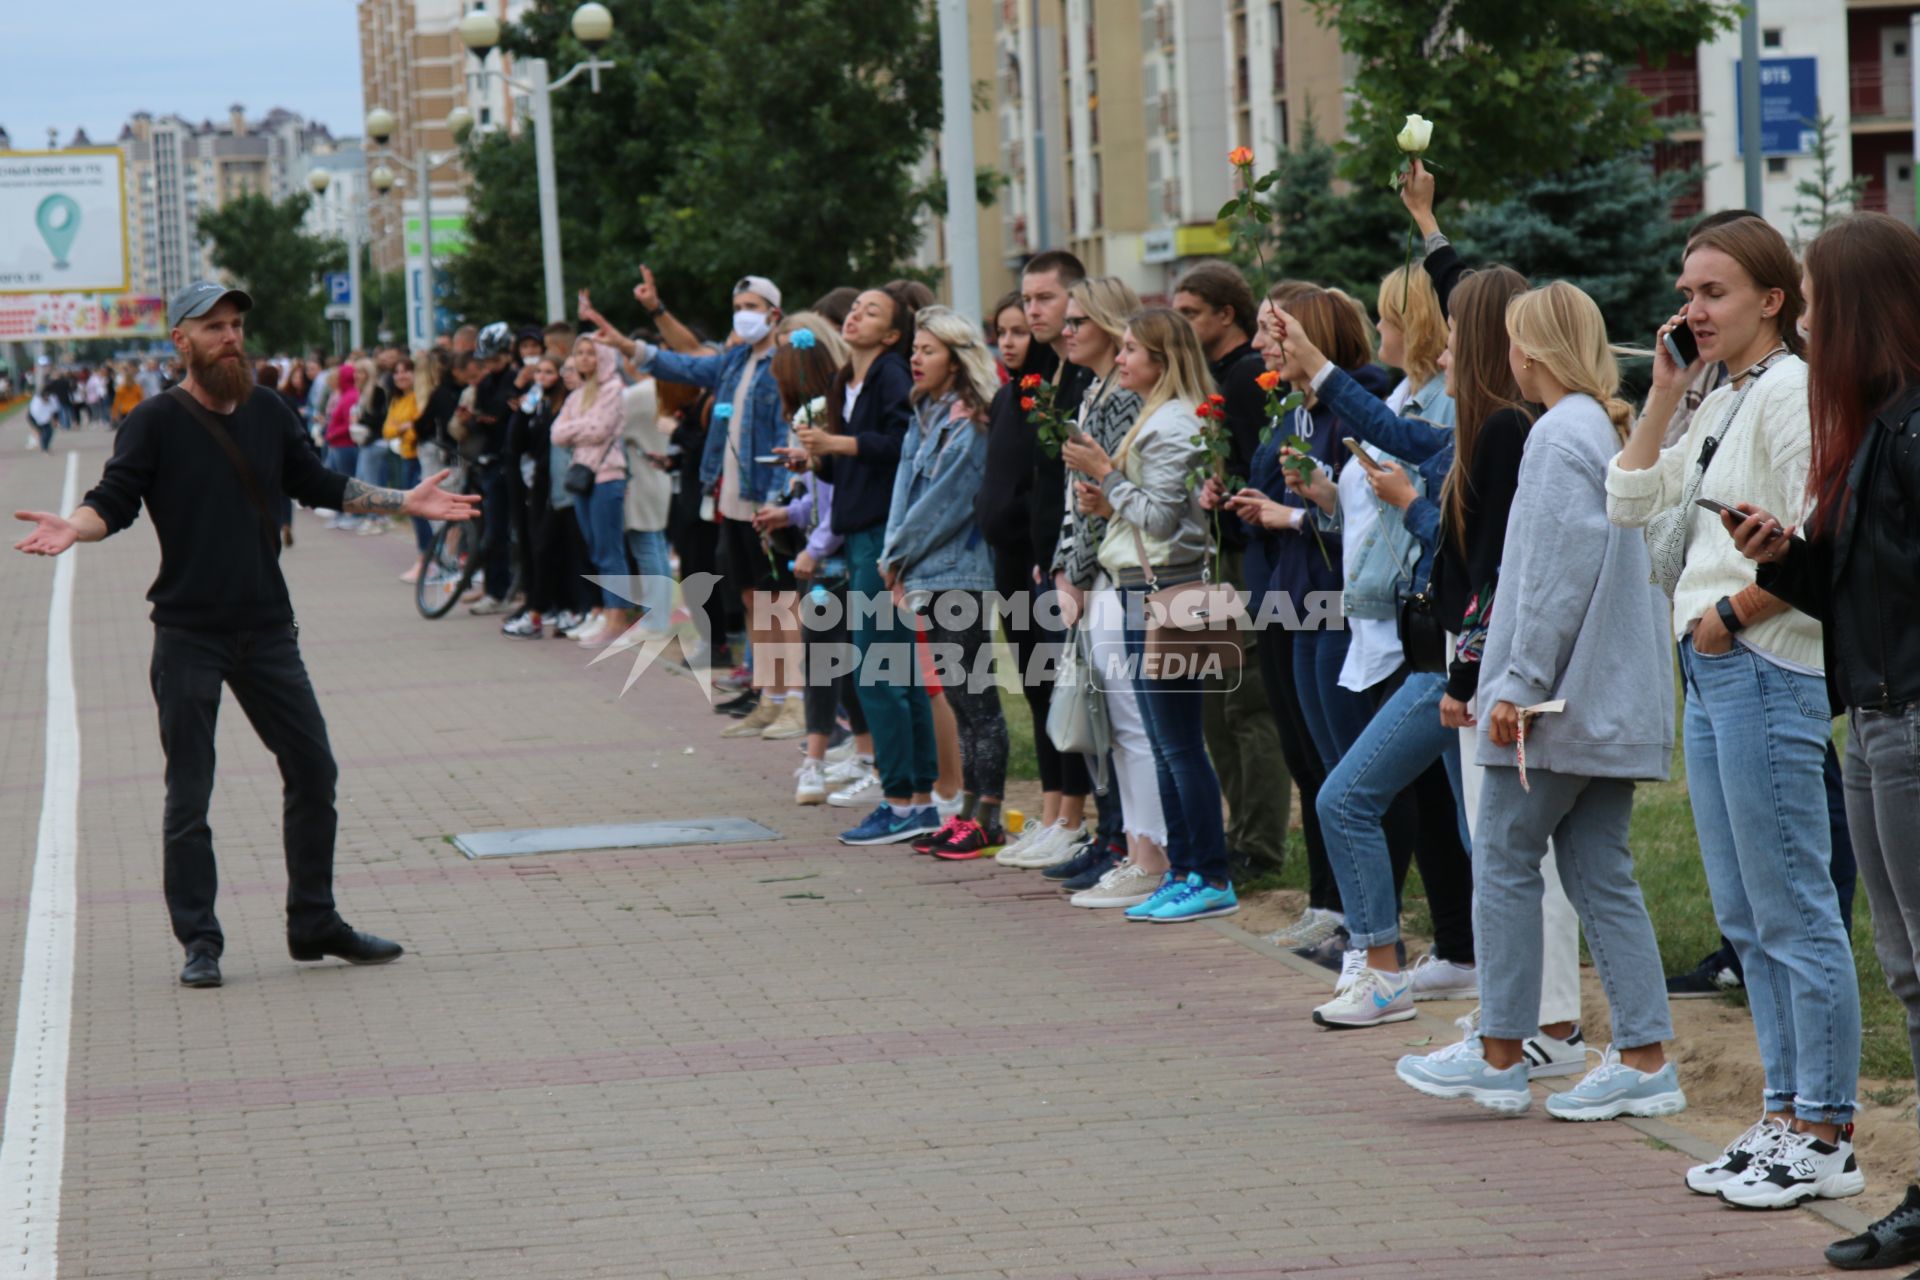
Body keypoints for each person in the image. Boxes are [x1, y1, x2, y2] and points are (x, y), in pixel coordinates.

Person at [11, 281, 477, 988]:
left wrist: (399, 499)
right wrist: (73, 527)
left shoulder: (270, 408)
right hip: (189, 633)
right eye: (214, 327)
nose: (231, 337)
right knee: (189, 793)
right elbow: (115, 500)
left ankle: (313, 921)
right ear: (182, 342)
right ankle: (201, 941)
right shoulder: (155, 421)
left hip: (267, 629)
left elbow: (316, 482)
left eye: (235, 325)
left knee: (314, 768)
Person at [1608, 215, 1861, 1207]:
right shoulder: (1722, 395)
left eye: (1715, 292)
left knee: (1796, 909)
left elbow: (1822, 530)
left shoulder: (1795, 389)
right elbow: (1629, 503)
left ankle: (1829, 1127)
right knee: (1748, 915)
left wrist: (1733, 611)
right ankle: (1787, 1106)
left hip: (1762, 661)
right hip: (1712, 670)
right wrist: (1665, 392)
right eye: (1688, 290)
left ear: (1773, 298)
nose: (1693, 308)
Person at [1395, 281, 1681, 1122]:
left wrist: (1512, 683)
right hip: (1607, 697)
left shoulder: (1558, 436)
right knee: (1602, 874)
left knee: (1506, 857)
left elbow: (1550, 578)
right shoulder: (1593, 427)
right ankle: (1644, 1056)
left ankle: (1500, 1052)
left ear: (1534, 351)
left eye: (1518, 343)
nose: (1508, 357)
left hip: (1560, 701)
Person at [1735, 211, 1920, 1266]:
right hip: (1876, 715)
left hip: (1908, 718)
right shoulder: (1873, 426)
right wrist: (1789, 557)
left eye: (1810, 301)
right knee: (1905, 967)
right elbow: (1863, 593)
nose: (1804, 321)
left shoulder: (1909, 429)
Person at [1267, 265, 1480, 1024]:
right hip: (1416, 638)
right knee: (1453, 819)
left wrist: (1410, 502)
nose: (1385, 331)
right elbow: (1390, 450)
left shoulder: (1483, 423)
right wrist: (1325, 497)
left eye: (1398, 318)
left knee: (1364, 798)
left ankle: (1392, 961)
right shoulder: (1421, 403)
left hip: (1437, 642)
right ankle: (1466, 973)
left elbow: (1460, 543)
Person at [1065, 308, 1236, 923]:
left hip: (1164, 589)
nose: (1120, 358)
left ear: (1163, 360)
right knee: (1168, 744)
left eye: (1132, 349)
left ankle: (1207, 874)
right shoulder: (1163, 415)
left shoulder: (1172, 422)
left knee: (1178, 744)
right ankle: (1188, 870)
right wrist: (1108, 495)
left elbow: (1163, 519)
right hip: (1149, 583)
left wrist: (1105, 476)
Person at [1017, 279, 1155, 893]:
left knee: (1125, 720)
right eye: (1065, 321)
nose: (1065, 332)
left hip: (1113, 575)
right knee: (1105, 719)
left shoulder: (1121, 397)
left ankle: (1139, 846)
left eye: (1078, 322)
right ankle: (1119, 838)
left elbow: (1109, 497)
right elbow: (1078, 503)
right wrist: (1060, 567)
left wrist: (1075, 573)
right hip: (1085, 573)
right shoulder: (1094, 391)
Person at [791, 286, 935, 836]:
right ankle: (918, 799)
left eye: (871, 312)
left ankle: (900, 800)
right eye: (854, 309)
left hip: (882, 535)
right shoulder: (841, 381)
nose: (855, 316)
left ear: (894, 334)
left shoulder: (892, 374)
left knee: (878, 673)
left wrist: (839, 445)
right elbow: (842, 468)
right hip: (857, 535)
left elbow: (902, 445)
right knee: (894, 671)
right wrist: (815, 454)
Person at [1173, 261, 1292, 887]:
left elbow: (1265, 466)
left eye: (1192, 312)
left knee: (1248, 705)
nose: (1184, 323)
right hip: (1215, 556)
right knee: (1217, 706)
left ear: (1227, 313)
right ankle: (1235, 830)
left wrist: (1233, 490)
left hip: (1245, 558)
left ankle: (1260, 842)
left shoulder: (1248, 376)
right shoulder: (1214, 375)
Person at [876, 306, 1007, 858]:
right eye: (915, 350)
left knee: (977, 701)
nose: (915, 358)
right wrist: (894, 557)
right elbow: (902, 493)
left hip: (961, 575)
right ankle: (966, 814)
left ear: (956, 361)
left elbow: (945, 502)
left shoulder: (973, 422)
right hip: (924, 572)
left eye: (928, 350)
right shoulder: (923, 416)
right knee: (957, 695)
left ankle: (988, 816)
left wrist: (896, 554)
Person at [550, 341, 633, 648]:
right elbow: (557, 433)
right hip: (583, 478)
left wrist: (576, 426)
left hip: (607, 477)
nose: (584, 358)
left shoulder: (613, 389)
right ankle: (608, 615)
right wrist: (581, 426)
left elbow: (600, 429)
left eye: (591, 353)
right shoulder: (577, 395)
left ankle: (618, 619)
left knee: (610, 552)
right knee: (596, 550)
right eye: (580, 352)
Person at [27, 385, 59, 451]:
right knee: (41, 432)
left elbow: (54, 411)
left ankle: (45, 446)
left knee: (50, 432)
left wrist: (55, 421)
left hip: (45, 419)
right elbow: (35, 414)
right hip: (34, 418)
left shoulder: (51, 401)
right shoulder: (36, 403)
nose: (46, 399)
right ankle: (44, 446)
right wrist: (40, 425)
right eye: (45, 398)